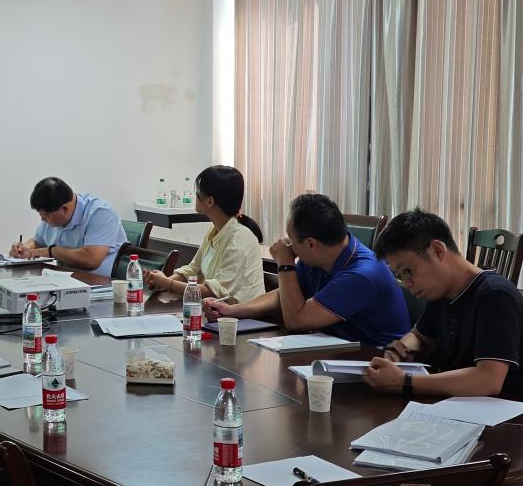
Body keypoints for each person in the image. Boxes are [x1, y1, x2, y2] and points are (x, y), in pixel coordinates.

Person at [205, 193, 408, 346]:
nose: (288, 245)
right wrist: (233, 310)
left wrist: (285, 263)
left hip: (376, 362)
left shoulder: (362, 274)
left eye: (292, 240)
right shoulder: (320, 256)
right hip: (336, 351)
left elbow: (296, 320)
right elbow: (284, 295)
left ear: (311, 244)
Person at [363, 209, 523, 398]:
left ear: (437, 250)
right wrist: (402, 349)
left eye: (407, 271)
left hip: (501, 411)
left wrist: (403, 381)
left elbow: (488, 380)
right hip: (453, 403)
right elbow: (420, 337)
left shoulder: (495, 295)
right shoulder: (441, 292)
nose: (406, 283)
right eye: (399, 277)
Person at [143, 166, 265, 303]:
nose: (195, 196)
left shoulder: (239, 239)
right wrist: (163, 281)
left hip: (240, 314)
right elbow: (194, 269)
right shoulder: (214, 230)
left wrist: (167, 283)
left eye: (198, 192)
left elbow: (215, 292)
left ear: (210, 201)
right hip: (214, 309)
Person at [9, 177, 127, 278]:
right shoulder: (53, 213)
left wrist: (52, 251)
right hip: (65, 281)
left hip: (99, 285)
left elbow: (91, 260)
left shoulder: (100, 213)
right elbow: (37, 241)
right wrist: (25, 248)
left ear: (64, 209)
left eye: (46, 216)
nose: (43, 220)